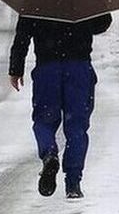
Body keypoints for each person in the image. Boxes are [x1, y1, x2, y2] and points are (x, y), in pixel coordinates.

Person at [8, 13, 113, 199]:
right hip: (79, 67)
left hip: (47, 67)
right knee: (77, 127)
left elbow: (22, 35)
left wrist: (16, 68)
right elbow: (102, 24)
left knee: (44, 121)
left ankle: (49, 155)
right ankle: (73, 182)